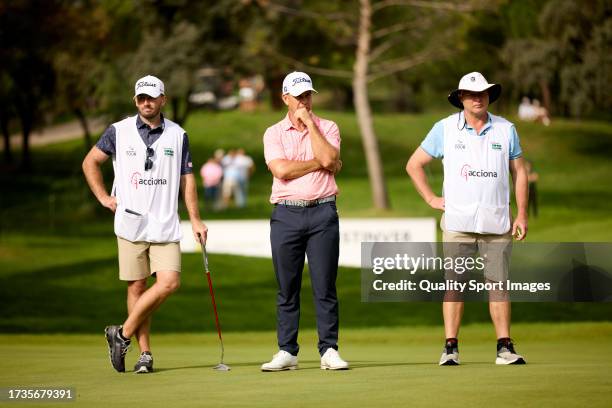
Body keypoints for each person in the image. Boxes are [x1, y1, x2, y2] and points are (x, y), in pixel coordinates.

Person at [82, 75, 208, 373]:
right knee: (137, 286)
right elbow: (90, 162)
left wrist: (196, 219)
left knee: (169, 283)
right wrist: (103, 197)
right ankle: (145, 355)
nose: (146, 103)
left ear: (163, 99)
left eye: (152, 97)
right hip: (130, 223)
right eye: (141, 98)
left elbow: (187, 179)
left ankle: (121, 334)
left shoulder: (178, 135)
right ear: (135, 100)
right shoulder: (119, 131)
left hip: (164, 223)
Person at [406, 72, 529, 366]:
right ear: (461, 97)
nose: (477, 98)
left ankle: (504, 347)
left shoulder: (506, 129)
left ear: (489, 96)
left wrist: (522, 213)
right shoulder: (445, 129)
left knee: (498, 284)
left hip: (497, 222)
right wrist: (431, 199)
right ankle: (450, 348)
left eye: (482, 93)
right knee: (454, 284)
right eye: (471, 94)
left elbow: (520, 172)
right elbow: (414, 165)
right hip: (458, 224)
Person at [261, 71, 347, 371]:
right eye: (298, 97)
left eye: (308, 95)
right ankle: (287, 350)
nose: (304, 101)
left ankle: (329, 350)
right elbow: (282, 170)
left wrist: (310, 125)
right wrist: (321, 163)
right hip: (286, 214)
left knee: (325, 285)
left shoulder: (328, 126)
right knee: (288, 287)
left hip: (323, 213)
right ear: (285, 98)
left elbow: (328, 158)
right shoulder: (273, 133)